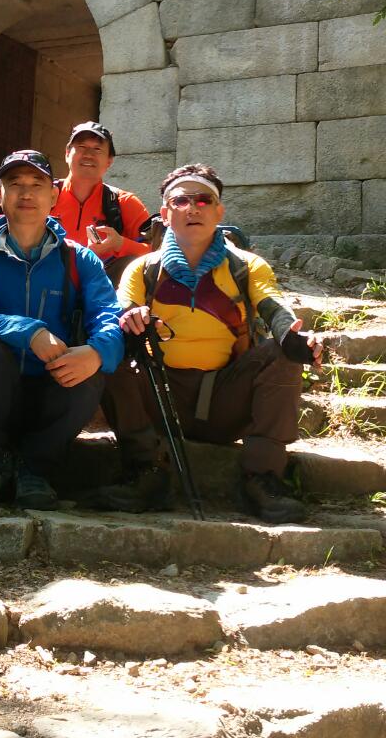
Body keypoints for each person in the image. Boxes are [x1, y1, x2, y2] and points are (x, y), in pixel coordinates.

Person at [92, 163, 322, 522]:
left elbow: (273, 307)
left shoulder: (247, 266)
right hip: (160, 398)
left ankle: (263, 478)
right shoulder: (142, 269)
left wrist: (293, 337)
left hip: (227, 398)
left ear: (219, 212)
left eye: (203, 200)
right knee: (107, 347)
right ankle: (145, 470)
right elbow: (120, 311)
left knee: (281, 354)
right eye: (181, 201)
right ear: (165, 213)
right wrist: (130, 320)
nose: (193, 208)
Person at [0, 149, 124, 510]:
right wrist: (29, 332)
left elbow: (109, 317)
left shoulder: (79, 259)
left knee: (91, 367)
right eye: (15, 184)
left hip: (54, 387)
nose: (26, 193)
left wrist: (97, 352)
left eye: (37, 184)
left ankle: (35, 468)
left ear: (54, 195)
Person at [51, 121, 151, 285]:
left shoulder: (124, 203)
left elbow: (157, 255)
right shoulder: (44, 195)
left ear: (109, 161)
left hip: (102, 291)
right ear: (67, 153)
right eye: (81, 146)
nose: (88, 154)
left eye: (97, 149)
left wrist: (120, 244)